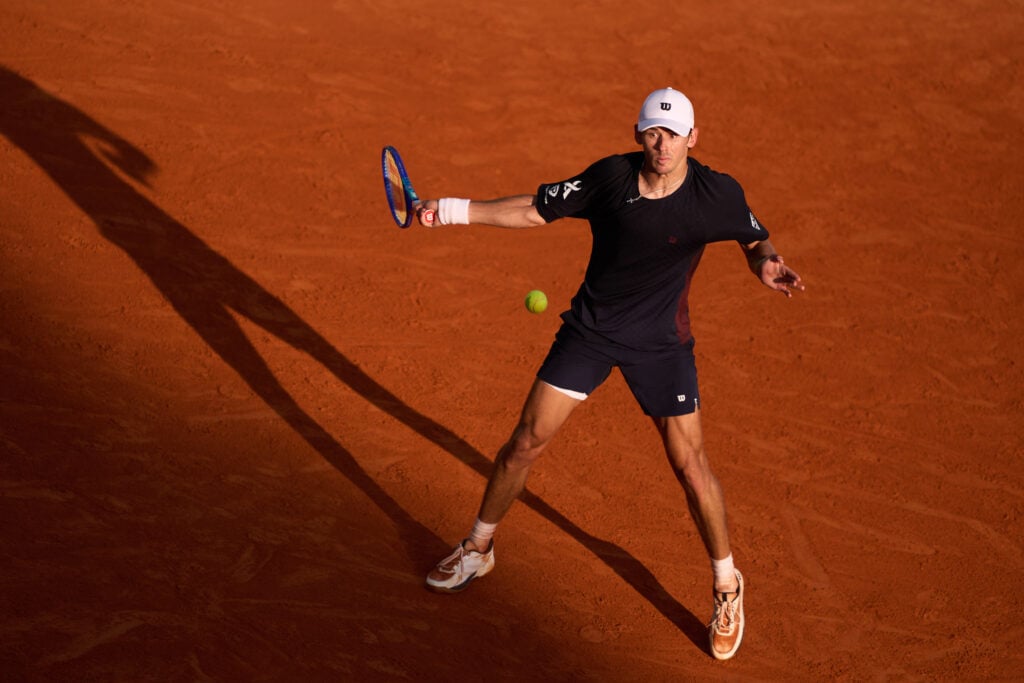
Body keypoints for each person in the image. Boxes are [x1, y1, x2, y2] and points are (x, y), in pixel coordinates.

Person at [414, 87, 804, 661]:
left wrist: (766, 262)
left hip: (661, 345)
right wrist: (448, 210)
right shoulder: (610, 178)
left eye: (674, 134)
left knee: (691, 467)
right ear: (638, 134)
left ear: (693, 138)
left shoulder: (716, 194)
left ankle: (727, 584)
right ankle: (478, 548)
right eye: (653, 132)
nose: (663, 144)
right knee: (524, 443)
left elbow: (753, 237)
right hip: (591, 333)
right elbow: (535, 209)